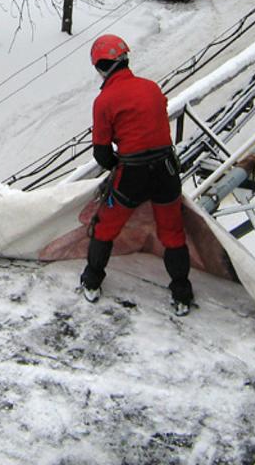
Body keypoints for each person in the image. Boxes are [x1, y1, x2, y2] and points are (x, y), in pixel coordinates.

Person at [79, 34, 195, 316]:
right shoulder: (151, 88)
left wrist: (121, 164)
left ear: (102, 67)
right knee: (172, 231)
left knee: (105, 227)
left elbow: (102, 154)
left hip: (132, 173)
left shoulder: (104, 101)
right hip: (166, 170)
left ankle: (92, 281)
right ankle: (181, 293)